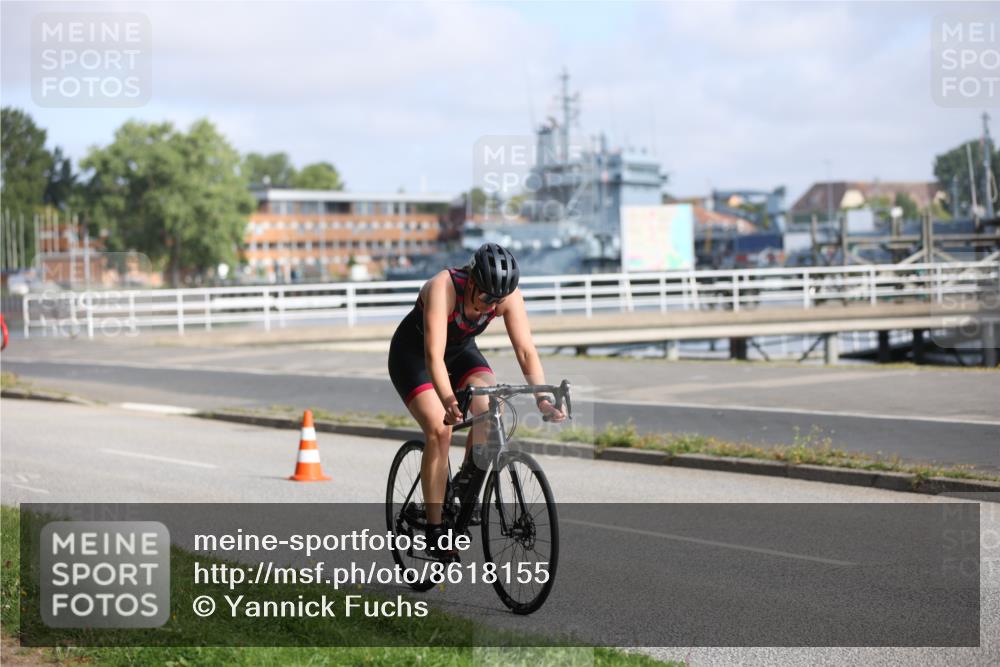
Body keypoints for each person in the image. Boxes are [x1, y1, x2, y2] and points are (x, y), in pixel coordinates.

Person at [387, 243, 565, 560]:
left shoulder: (505, 296)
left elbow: (526, 351)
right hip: (414, 357)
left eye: (498, 301)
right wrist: (447, 400)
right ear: (472, 282)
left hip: (461, 353)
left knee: (490, 408)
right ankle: (435, 528)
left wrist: (542, 398)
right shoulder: (443, 287)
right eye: (486, 298)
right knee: (440, 430)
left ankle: (464, 485)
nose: (491, 306)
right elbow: (433, 358)